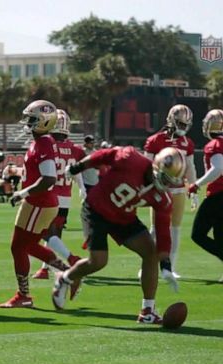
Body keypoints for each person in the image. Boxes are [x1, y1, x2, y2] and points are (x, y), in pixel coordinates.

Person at [52, 145, 186, 324]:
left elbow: (163, 231)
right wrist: (79, 167)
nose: (166, 185)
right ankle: (65, 278)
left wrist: (166, 266)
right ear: (156, 167)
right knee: (98, 262)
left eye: (171, 181)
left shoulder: (163, 199)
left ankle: (148, 310)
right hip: (96, 210)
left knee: (150, 253)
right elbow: (103, 155)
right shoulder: (130, 159)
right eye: (165, 179)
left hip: (123, 217)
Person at [0, 100, 79, 308]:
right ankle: (67, 272)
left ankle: (24, 295)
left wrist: (22, 192)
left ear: (44, 122)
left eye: (32, 119)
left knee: (20, 247)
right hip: (38, 202)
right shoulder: (42, 141)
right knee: (26, 246)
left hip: (39, 202)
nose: (28, 122)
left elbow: (49, 178)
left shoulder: (43, 143)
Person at [143, 104, 197, 282]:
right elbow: (145, 166)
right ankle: (147, 265)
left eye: (185, 124)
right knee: (155, 231)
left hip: (179, 189)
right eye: (180, 123)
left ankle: (170, 267)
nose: (182, 127)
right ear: (172, 121)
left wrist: (193, 188)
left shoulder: (187, 143)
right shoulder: (155, 140)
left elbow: (190, 167)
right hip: (160, 189)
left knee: (175, 230)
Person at [32, 109, 86, 281]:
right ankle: (45, 268)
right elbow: (76, 172)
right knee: (55, 234)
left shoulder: (47, 145)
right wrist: (82, 188)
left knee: (45, 233)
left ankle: (71, 259)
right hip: (66, 198)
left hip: (50, 196)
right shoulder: (75, 149)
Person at [188, 109, 223, 282]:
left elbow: (218, 169)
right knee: (220, 234)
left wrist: (196, 184)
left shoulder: (215, 144)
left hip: (218, 195)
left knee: (198, 234)